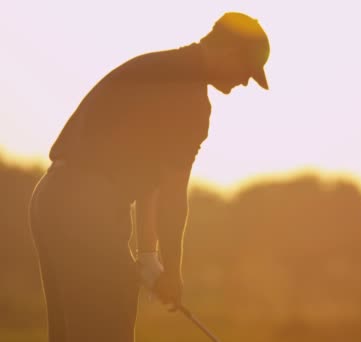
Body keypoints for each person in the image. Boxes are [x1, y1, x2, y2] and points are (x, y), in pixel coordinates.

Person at [28, 11, 270, 342]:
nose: (244, 82)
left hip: (51, 198)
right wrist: (173, 271)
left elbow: (150, 179)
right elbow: (172, 196)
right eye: (247, 71)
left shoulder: (156, 66)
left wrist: (147, 255)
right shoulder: (192, 100)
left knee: (69, 335)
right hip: (89, 209)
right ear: (231, 53)